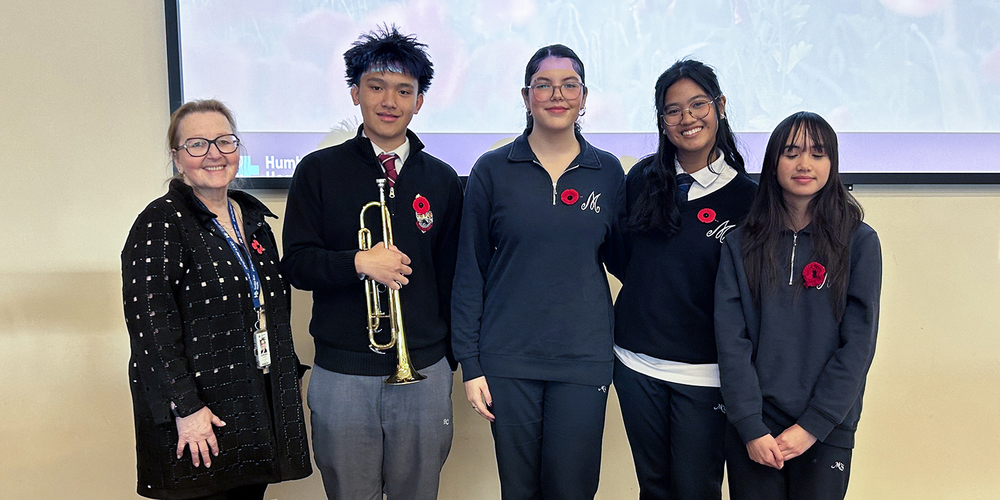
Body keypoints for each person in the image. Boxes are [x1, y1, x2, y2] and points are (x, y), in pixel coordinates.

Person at [281, 26, 463, 500]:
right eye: (377, 86)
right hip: (342, 371)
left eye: (405, 90)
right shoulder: (317, 170)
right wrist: (358, 262)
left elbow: (453, 276)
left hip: (423, 369)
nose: (390, 100)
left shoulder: (442, 179)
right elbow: (297, 265)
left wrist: (451, 357)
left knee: (417, 492)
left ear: (419, 101)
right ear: (355, 93)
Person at [452, 44, 626, 499]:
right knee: (520, 491)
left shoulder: (607, 171)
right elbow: (470, 270)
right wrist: (471, 364)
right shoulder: (491, 170)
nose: (557, 95)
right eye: (543, 85)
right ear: (526, 96)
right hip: (507, 360)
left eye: (569, 85)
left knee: (572, 489)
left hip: (584, 359)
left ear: (584, 97)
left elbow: (629, 261)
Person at [122, 99, 311, 500]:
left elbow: (268, 309)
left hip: (252, 403)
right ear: (177, 159)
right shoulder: (161, 222)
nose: (214, 154)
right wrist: (186, 411)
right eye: (197, 144)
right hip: (197, 418)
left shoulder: (254, 220)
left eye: (225, 141)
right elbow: (152, 332)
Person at [714, 111, 881, 500]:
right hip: (756, 429)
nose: (804, 164)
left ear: (832, 164)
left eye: (818, 154)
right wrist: (750, 425)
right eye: (791, 153)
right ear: (773, 163)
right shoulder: (740, 244)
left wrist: (813, 425)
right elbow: (731, 341)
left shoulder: (859, 242)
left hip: (826, 426)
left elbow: (858, 345)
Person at [611, 59, 756, 499]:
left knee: (696, 489)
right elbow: (621, 256)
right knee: (653, 489)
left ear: (721, 106)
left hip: (706, 373)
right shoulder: (641, 179)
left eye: (698, 104)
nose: (687, 118)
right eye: (673, 110)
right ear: (662, 120)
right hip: (636, 364)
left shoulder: (749, 200)